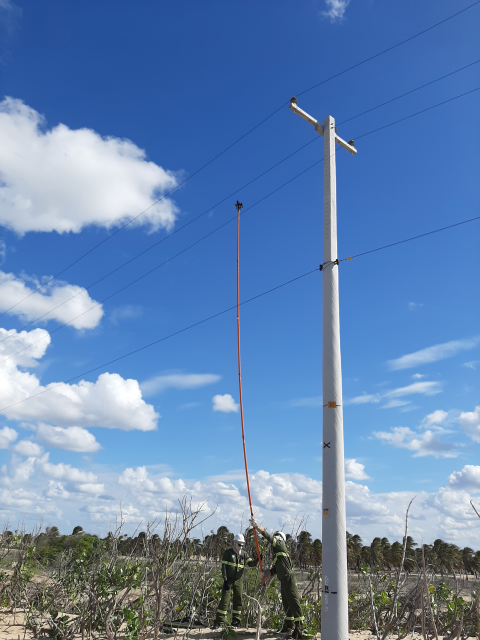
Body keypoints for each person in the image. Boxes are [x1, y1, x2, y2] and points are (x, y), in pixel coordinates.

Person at [250, 517, 304, 639]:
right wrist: (264, 573)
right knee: (287, 604)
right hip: (283, 580)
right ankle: (288, 625)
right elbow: (273, 571)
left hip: (289, 579)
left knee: (293, 602)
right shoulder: (278, 556)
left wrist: (257, 526)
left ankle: (299, 627)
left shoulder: (280, 545)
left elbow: (269, 537)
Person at [213, 533, 260, 628]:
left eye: (242, 545)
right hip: (229, 581)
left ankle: (236, 621)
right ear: (234, 543)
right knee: (225, 600)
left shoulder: (244, 554)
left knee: (238, 600)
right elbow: (224, 568)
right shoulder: (227, 553)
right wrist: (225, 580)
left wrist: (258, 560)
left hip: (239, 580)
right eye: (239, 544)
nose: (241, 547)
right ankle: (219, 621)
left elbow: (251, 564)